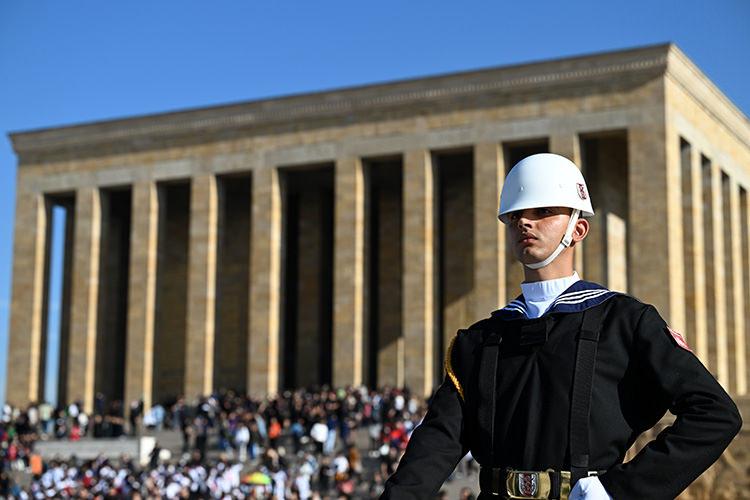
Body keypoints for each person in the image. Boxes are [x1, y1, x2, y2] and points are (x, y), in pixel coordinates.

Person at [382, 153, 742, 499]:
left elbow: (715, 414)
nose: (525, 222)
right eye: (516, 216)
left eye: (543, 212)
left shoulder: (624, 323)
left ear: (578, 228)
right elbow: (436, 444)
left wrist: (620, 490)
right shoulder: (478, 341)